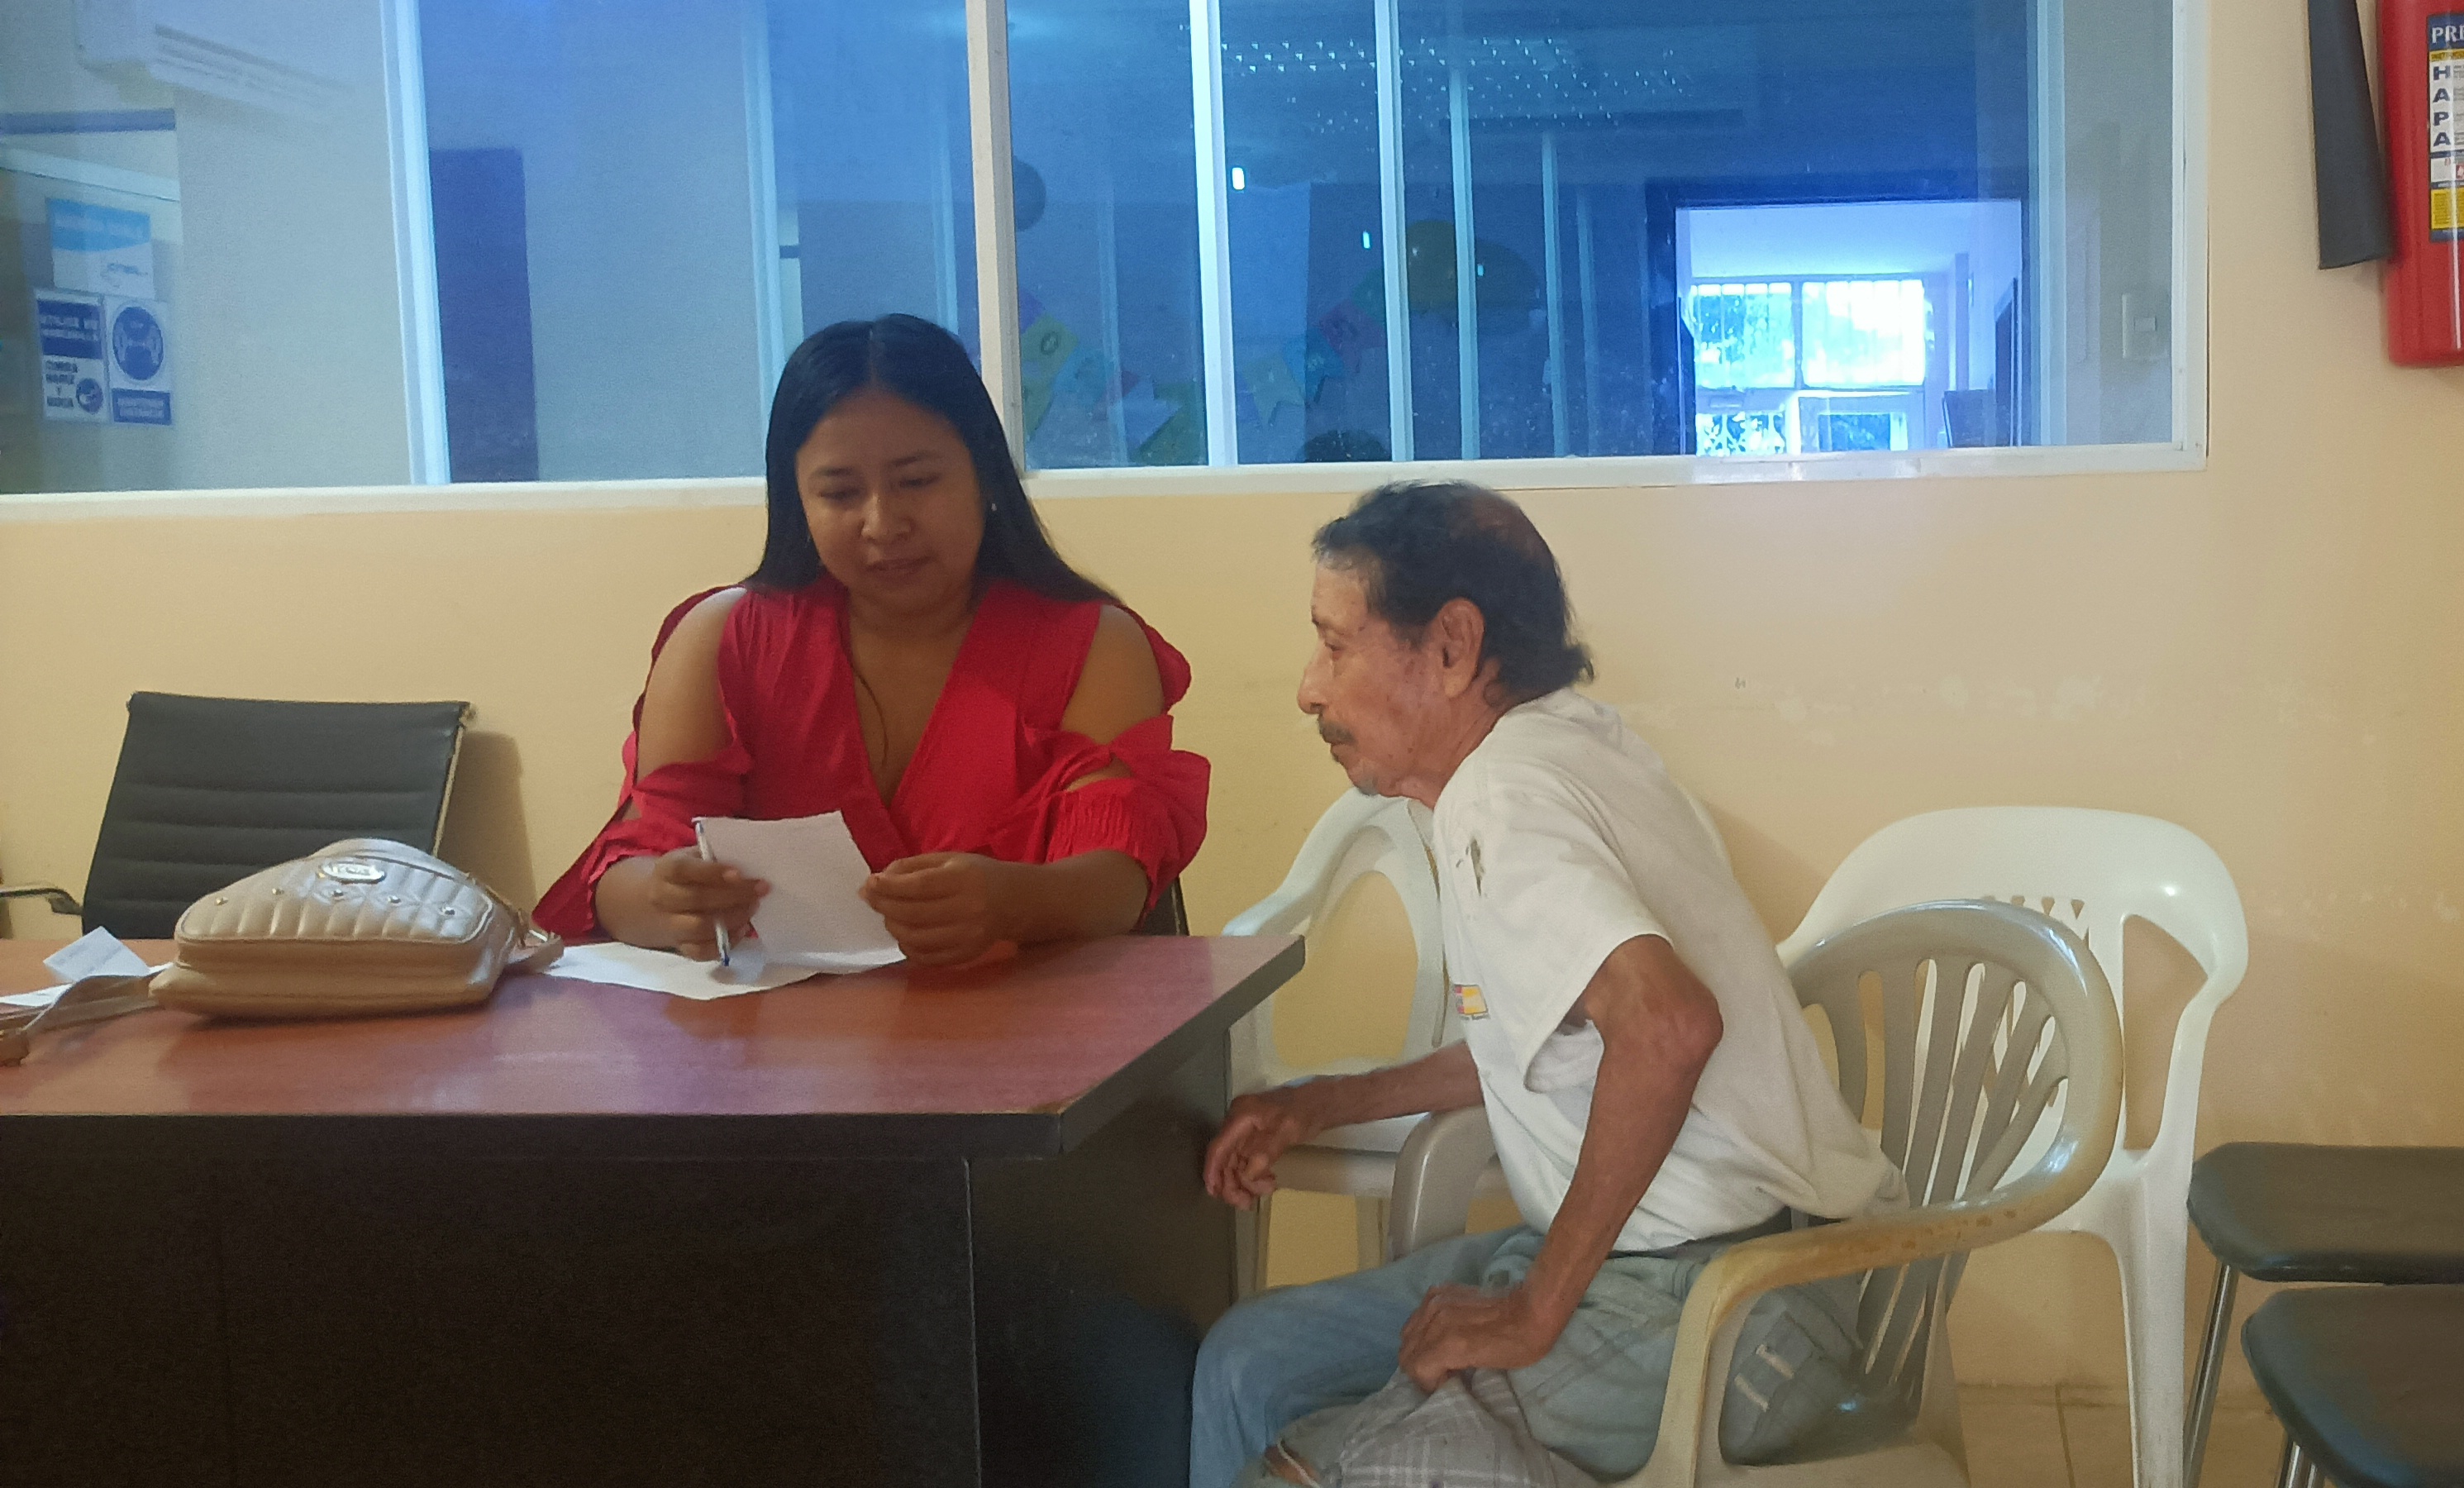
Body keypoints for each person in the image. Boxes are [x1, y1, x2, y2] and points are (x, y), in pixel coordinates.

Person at [1191, 481, 1899, 1487]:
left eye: (1336, 646)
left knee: (1333, 1469)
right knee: (1251, 1364)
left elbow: (1666, 1028)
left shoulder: (1507, 798)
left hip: (1737, 1298)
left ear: (1451, 647)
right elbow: (1543, 1047)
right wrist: (1320, 1104)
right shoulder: (1544, 759)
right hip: (1654, 1266)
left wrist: (1536, 1308)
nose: (1310, 689)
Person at [535, 314, 1209, 963]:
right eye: (839, 494)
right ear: (796, 499)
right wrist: (668, 898)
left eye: (918, 482)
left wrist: (1015, 903)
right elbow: (624, 873)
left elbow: (1119, 883)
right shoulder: (722, 639)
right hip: (776, 1033)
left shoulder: (1092, 645)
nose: (883, 524)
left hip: (1030, 1026)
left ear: (985, 475)